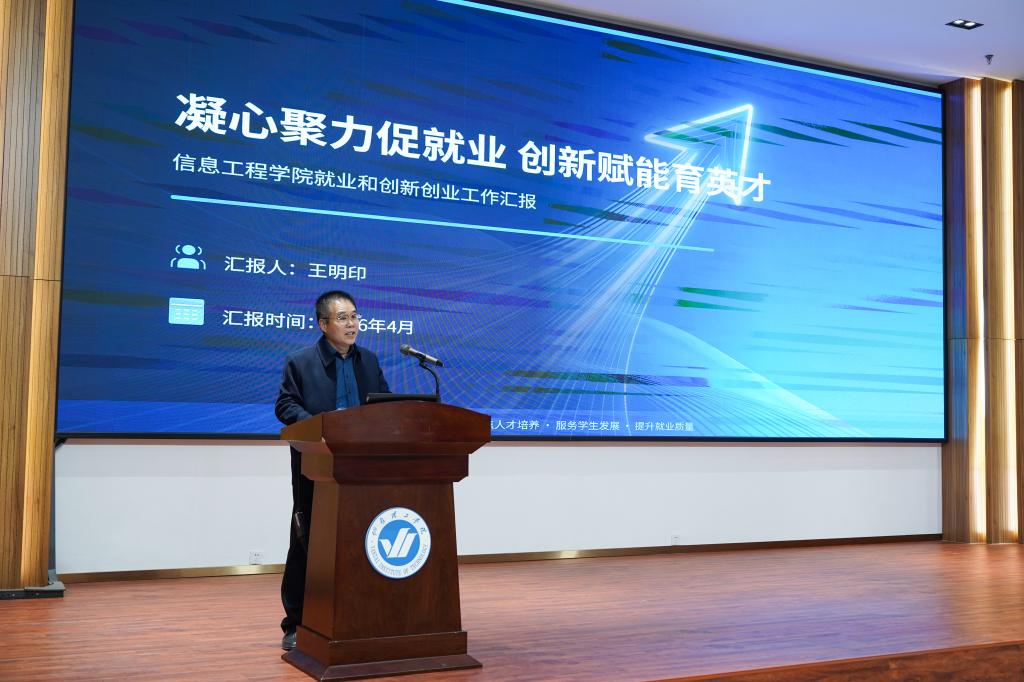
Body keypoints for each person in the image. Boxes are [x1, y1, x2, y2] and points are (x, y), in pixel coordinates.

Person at [274, 290, 390, 650]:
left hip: (363, 465)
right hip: (317, 463)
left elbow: (385, 404)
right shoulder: (300, 362)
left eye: (355, 316)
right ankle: (296, 623)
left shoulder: (369, 361)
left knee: (363, 540)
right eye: (342, 318)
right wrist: (317, 427)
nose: (352, 324)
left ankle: (361, 616)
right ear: (323, 324)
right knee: (308, 540)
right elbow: (285, 404)